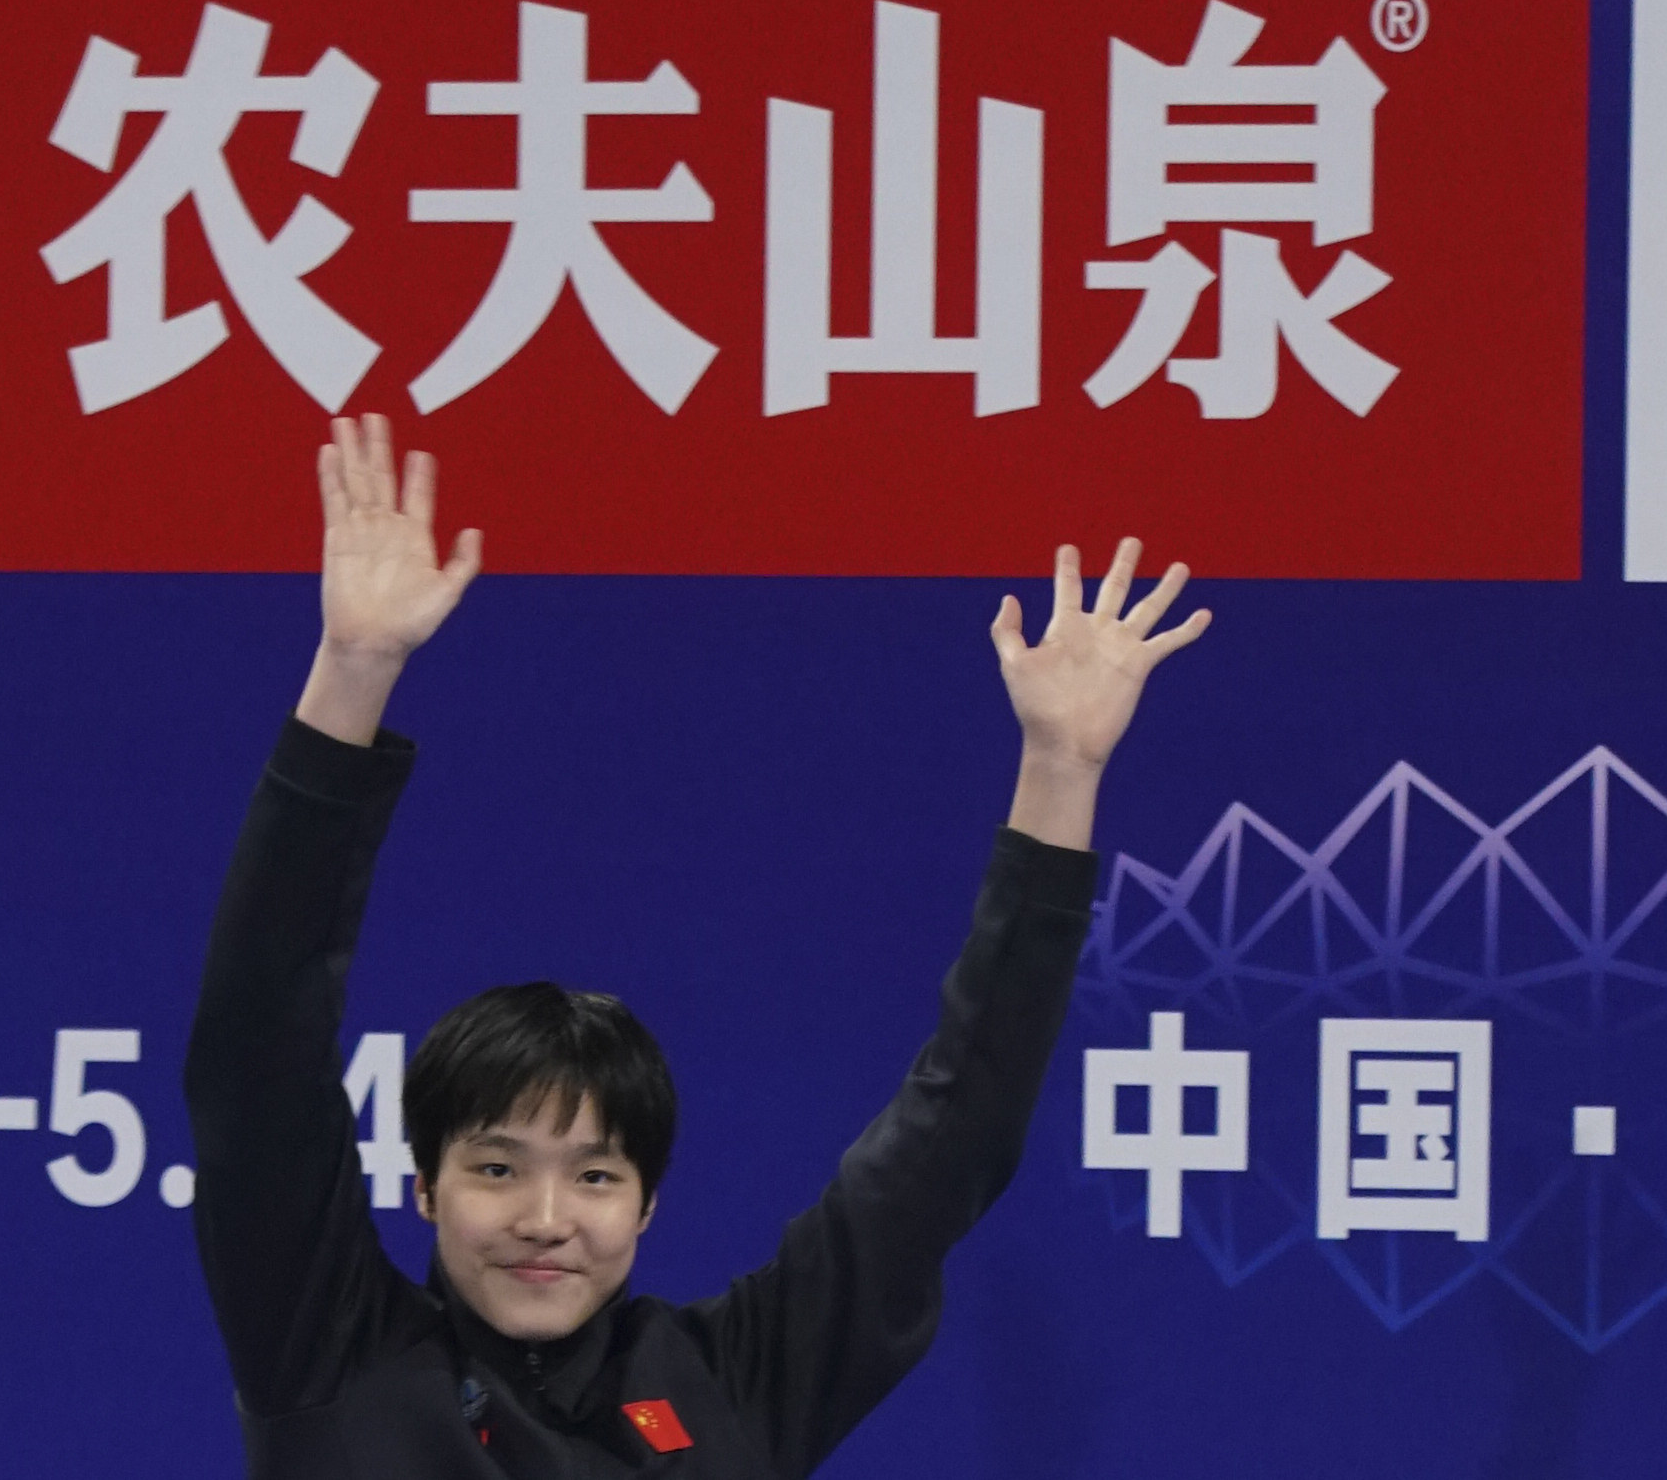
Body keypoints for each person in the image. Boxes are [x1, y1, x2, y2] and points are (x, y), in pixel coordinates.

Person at [184, 415, 1210, 1477]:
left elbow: (950, 1139)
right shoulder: (327, 1346)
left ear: (647, 1202)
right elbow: (253, 1043)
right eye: (496, 1166)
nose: (545, 1219)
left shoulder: (731, 1384)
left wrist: (1060, 768)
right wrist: (351, 672)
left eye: (594, 1175)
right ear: (425, 1188)